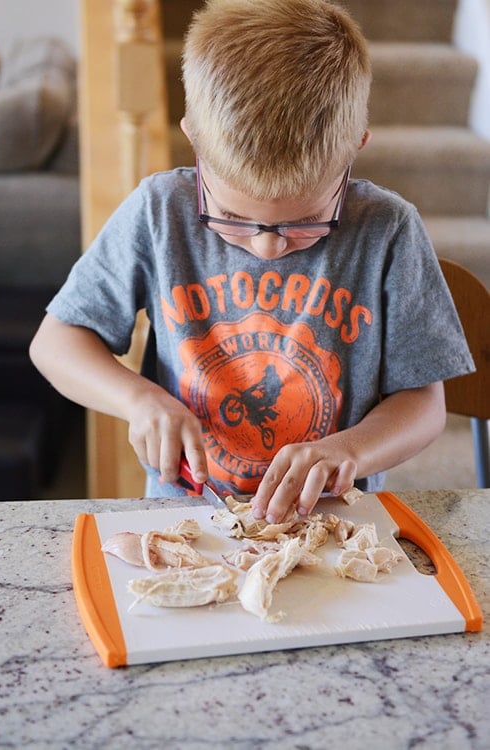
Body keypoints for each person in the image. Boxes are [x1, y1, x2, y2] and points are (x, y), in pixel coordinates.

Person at [30, 0, 474, 524]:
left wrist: (350, 451)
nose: (267, 246)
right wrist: (139, 399)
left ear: (356, 148)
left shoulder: (388, 229)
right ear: (194, 140)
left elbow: (424, 403)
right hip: (187, 521)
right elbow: (55, 344)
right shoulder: (159, 212)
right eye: (232, 217)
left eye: (307, 220)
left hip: (335, 522)